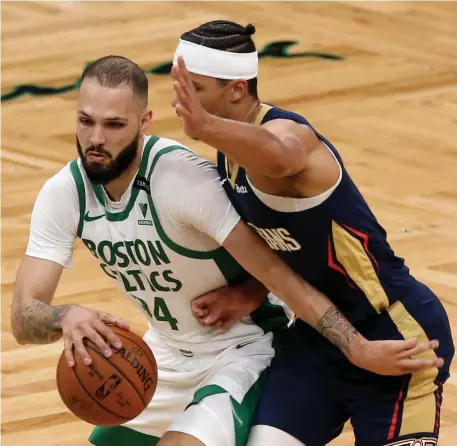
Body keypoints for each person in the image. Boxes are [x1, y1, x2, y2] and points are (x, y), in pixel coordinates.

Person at [10, 55, 433, 446]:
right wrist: (65, 316)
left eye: (114, 125)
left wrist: (354, 345)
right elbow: (23, 319)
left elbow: (279, 269)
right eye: (86, 121)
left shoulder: (182, 181)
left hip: (243, 353)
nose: (96, 139)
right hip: (161, 357)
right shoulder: (64, 193)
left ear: (144, 122)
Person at [170, 20, 455, 446]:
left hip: (394, 332)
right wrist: (249, 291)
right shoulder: (229, 155)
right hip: (320, 338)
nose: (183, 103)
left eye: (197, 88)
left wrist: (206, 126)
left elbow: (280, 158)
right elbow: (291, 247)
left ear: (236, 89)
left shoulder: (291, 135)